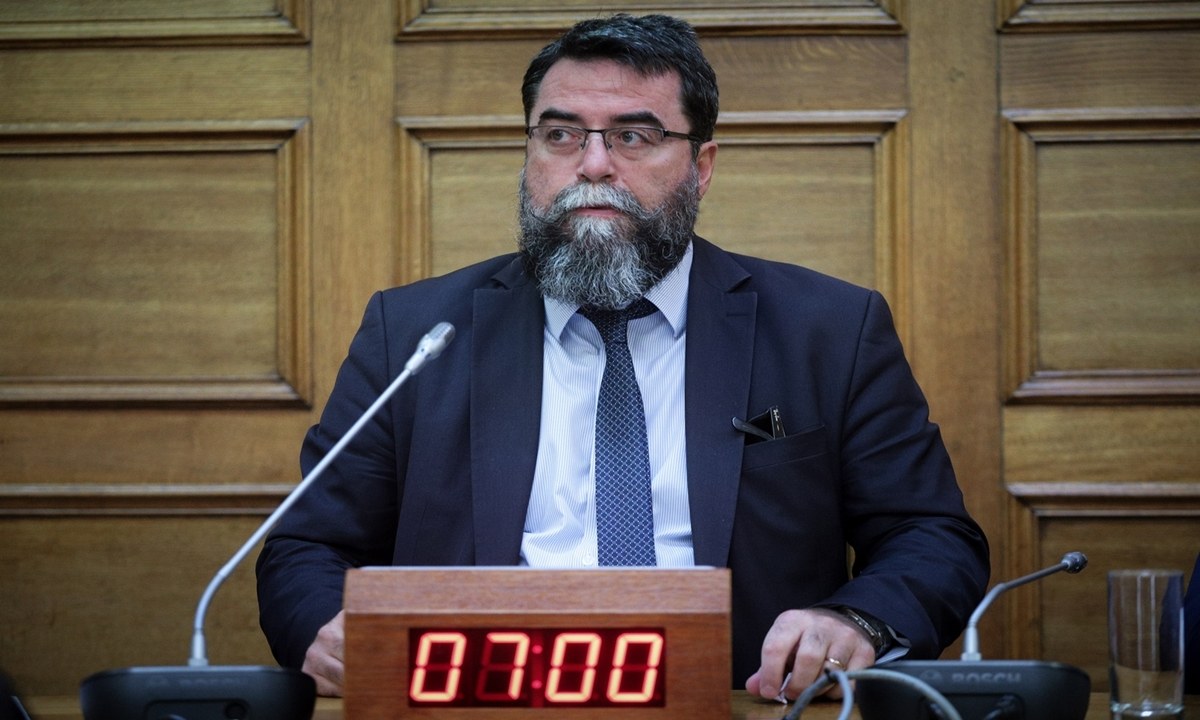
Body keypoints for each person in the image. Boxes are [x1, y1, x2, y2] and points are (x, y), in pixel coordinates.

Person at [256, 12, 990, 701]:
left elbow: (931, 538)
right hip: (475, 701)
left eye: (633, 136)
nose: (594, 166)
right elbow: (306, 546)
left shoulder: (827, 329)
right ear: (530, 153)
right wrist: (324, 630)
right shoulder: (416, 333)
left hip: (741, 704)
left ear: (701, 166)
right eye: (561, 135)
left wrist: (854, 621)